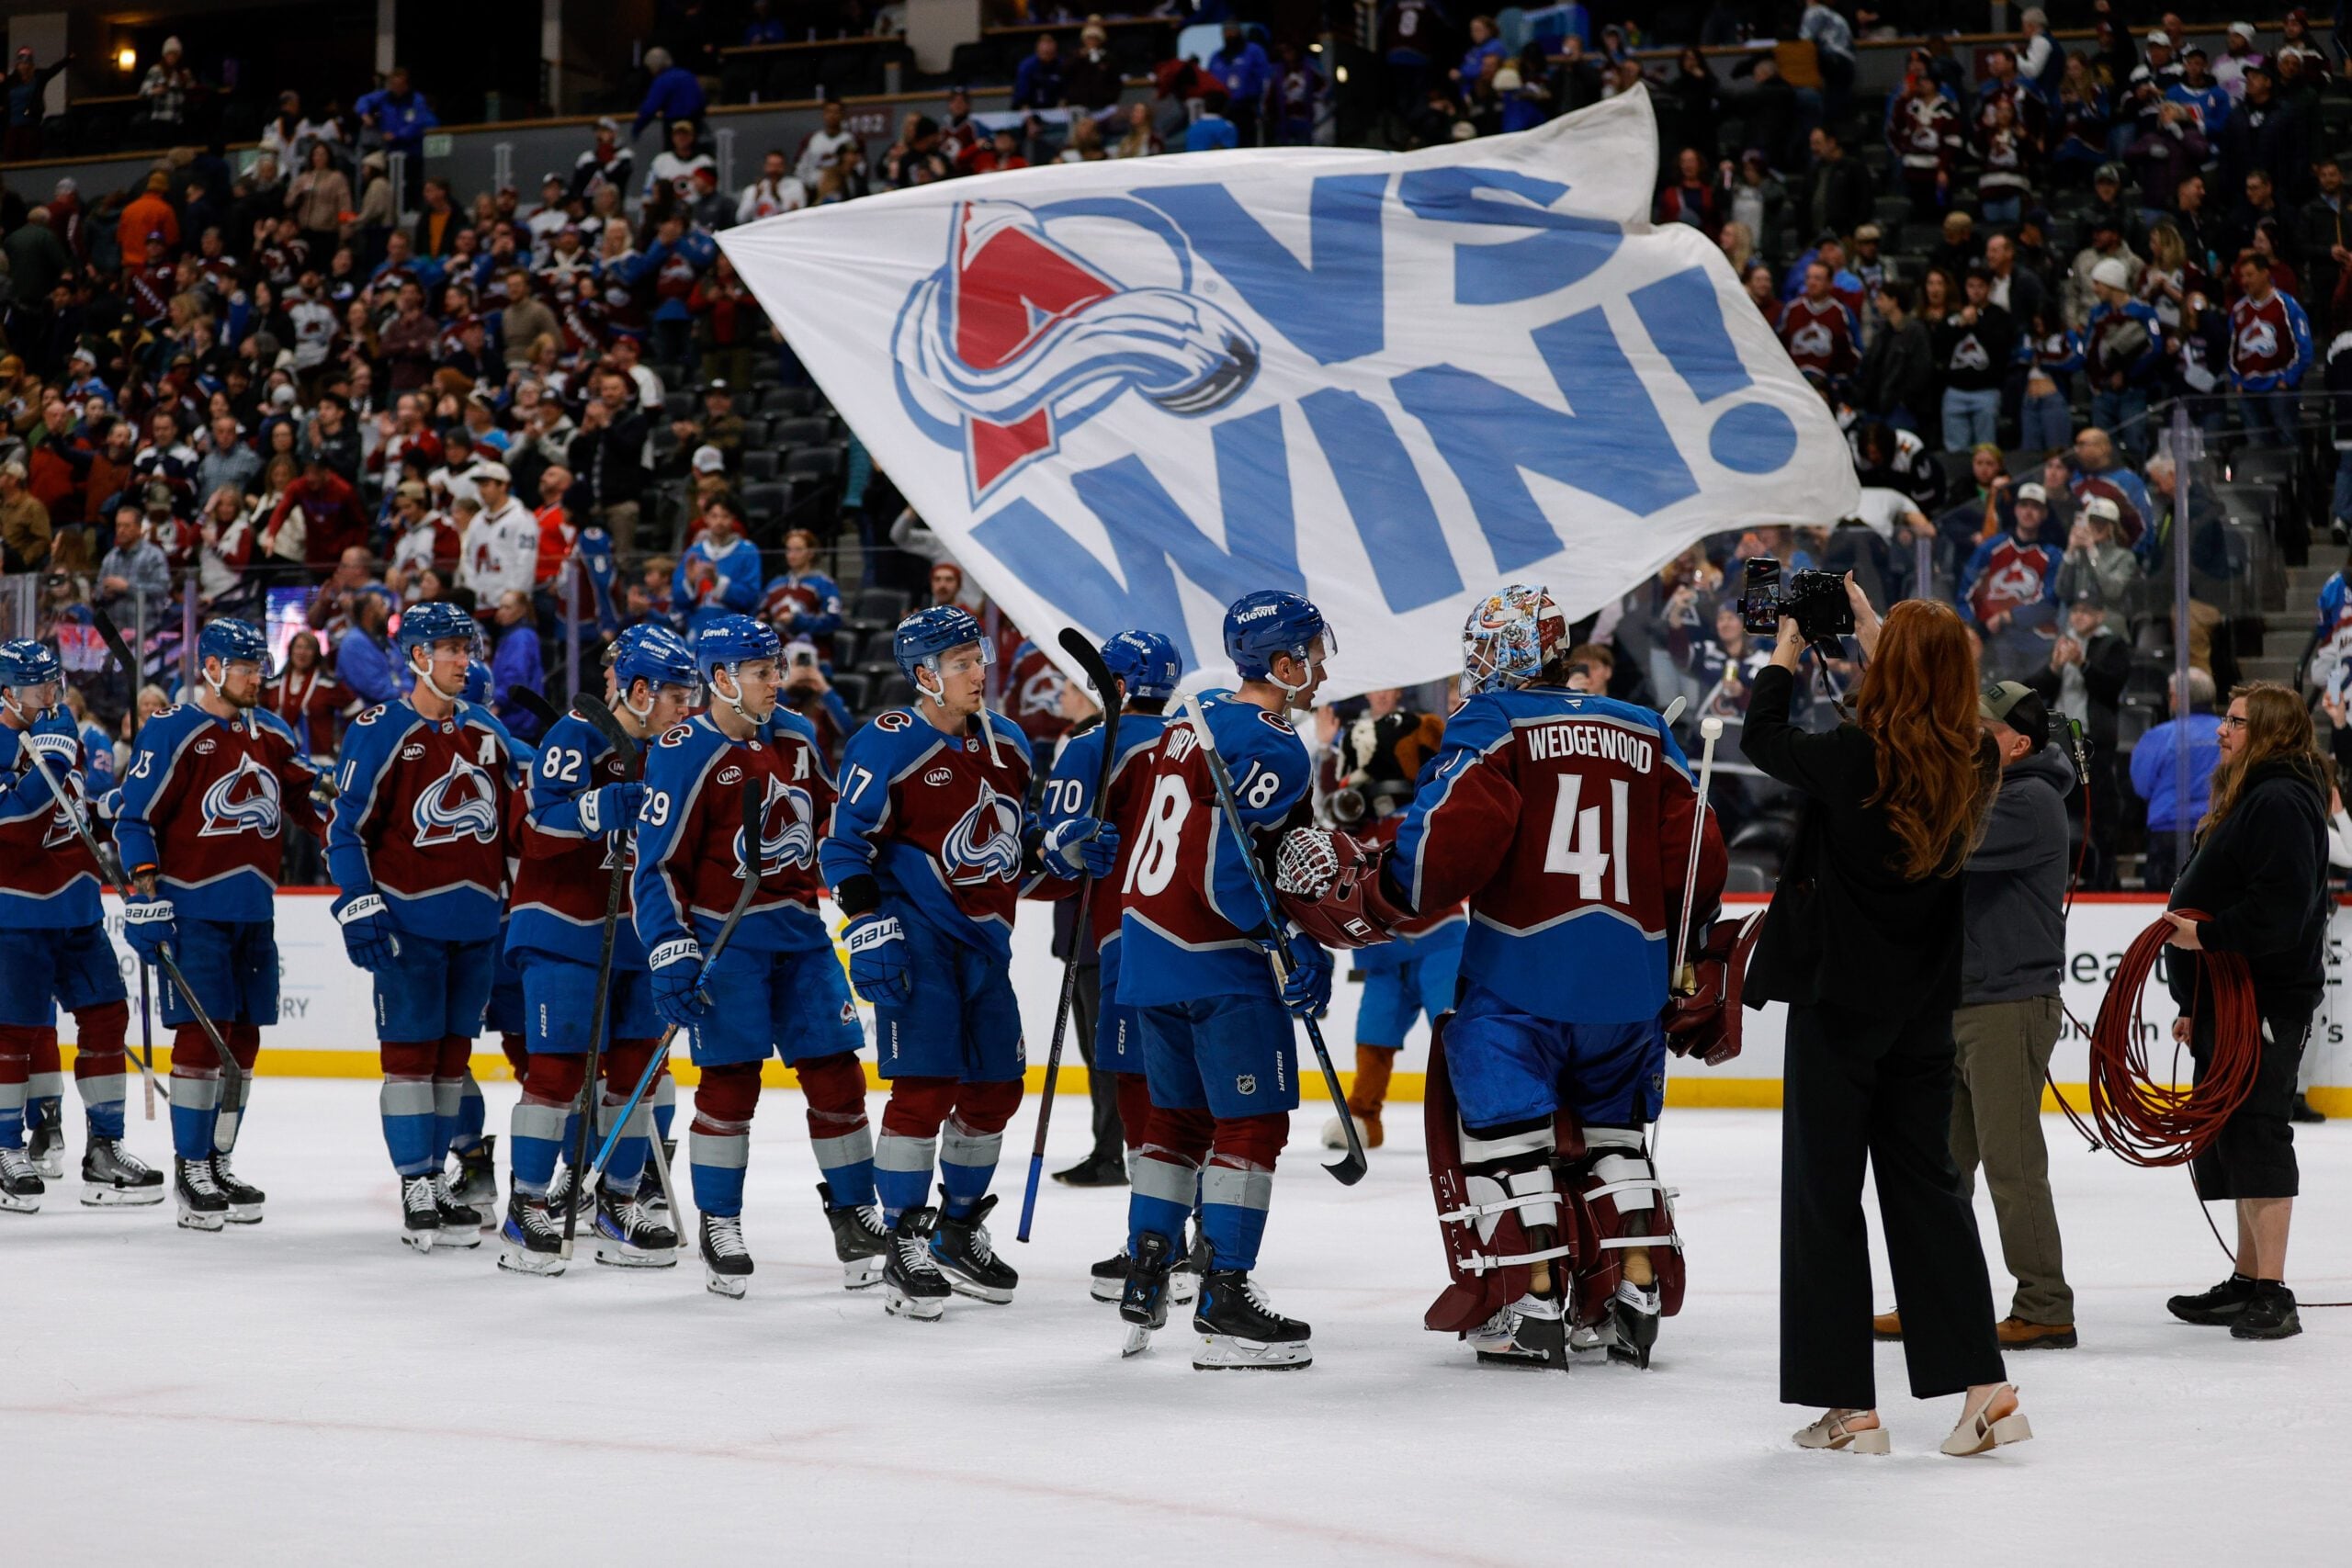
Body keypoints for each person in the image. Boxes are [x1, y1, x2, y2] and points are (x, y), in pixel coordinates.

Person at [1336, 585, 1722, 1370]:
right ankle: (1635, 1293)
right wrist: (1681, 950)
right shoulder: (1645, 726)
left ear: (1510, 652)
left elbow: (1447, 840)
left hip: (1522, 970)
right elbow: (1700, 858)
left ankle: (1533, 1300)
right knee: (1617, 1137)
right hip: (1629, 983)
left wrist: (1386, 893)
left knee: (1507, 1139)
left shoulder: (1496, 721)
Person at [1743, 586, 2031, 1459]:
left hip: (1839, 1007)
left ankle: (1850, 1407)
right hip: (1922, 1012)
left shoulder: (1850, 755)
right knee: (1929, 1195)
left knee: (1824, 1198)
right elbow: (1936, 696)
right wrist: (1886, 633)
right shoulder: (1977, 756)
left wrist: (1788, 647)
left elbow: (1760, 737)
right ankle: (1987, 1389)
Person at [822, 606, 1088, 1322]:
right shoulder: (887, 743)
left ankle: (957, 1228)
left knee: (998, 1088)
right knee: (923, 1089)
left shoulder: (1010, 746)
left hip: (984, 946)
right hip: (918, 940)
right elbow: (844, 847)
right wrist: (869, 923)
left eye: (979, 658)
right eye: (962, 662)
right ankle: (905, 1239)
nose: (980, 672)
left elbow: (1014, 854)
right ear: (924, 674)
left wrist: (1059, 853)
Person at [1109, 592, 1334, 1370]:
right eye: (1312, 650)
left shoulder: (1185, 725)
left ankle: (1146, 1269)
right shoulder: (1275, 742)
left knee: (1176, 1117)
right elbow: (1227, 869)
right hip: (1215, 957)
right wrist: (1289, 938)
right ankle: (1226, 1297)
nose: (1323, 664)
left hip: (1146, 952)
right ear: (1281, 663)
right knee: (1254, 1123)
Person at [631, 615, 888, 1296]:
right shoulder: (685, 748)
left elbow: (834, 826)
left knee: (838, 1074)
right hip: (728, 945)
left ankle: (856, 1212)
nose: (777, 681)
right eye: (762, 671)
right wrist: (669, 949)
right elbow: (654, 867)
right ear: (720, 679)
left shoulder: (798, 737)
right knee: (730, 1081)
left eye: (777, 668)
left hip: (803, 938)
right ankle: (721, 1221)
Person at [1877, 682, 2079, 1351]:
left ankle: (2045, 1303)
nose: (1966, 738)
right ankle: (1934, 1295)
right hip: (1966, 1000)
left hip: (2006, 1003)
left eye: (1983, 730)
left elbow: (1943, 846)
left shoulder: (2030, 800)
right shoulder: (1998, 792)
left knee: (2011, 1162)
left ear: (2018, 743)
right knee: (1943, 1167)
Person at [115, 621, 329, 1228]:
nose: (256, 676)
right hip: (195, 912)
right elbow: (135, 817)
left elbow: (306, 801)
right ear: (210, 668)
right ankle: (191, 1166)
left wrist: (343, 827)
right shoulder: (175, 730)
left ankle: (220, 1156)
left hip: (254, 912)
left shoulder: (271, 733)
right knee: (202, 1039)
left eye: (259, 666)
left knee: (243, 1043)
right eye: (244, 666)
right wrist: (145, 891)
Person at [496, 626, 688, 1272]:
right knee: (557, 1071)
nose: (685, 709)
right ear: (639, 690)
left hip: (643, 933)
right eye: (677, 696)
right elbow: (536, 826)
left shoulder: (677, 750)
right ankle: (525, 1206)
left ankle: (618, 1198)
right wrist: (599, 807)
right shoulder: (576, 735)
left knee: (636, 1073)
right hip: (564, 928)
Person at [324, 602, 514, 1251]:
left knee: (452, 1057)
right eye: (452, 648)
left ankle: (439, 1175)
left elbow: (522, 819)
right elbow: (345, 829)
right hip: (409, 922)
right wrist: (359, 900)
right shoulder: (380, 729)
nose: (466, 659)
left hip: (477, 923)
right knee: (411, 1057)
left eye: (469, 647)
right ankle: (418, 1180)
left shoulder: (485, 731)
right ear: (417, 659)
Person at [2161, 683, 2329, 1341]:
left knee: (2258, 1129)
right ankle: (2247, 1278)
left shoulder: (2281, 799)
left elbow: (2278, 912)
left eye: (2235, 722)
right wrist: (2193, 1002)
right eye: (2226, 719)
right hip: (2228, 1000)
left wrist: (2204, 939)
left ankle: (2272, 1288)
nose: (2222, 731)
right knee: (2233, 1132)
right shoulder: (2254, 793)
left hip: (2262, 997)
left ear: (2271, 731)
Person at [1034, 634, 1184, 1302]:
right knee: (1194, 1093)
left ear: (1112, 683)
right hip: (1201, 944)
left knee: (1140, 1095)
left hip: (1126, 942)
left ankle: (1154, 1243)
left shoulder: (1093, 745)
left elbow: (1051, 848)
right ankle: (1200, 1238)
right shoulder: (1192, 741)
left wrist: (1067, 847)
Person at [0, 641, 153, 1213]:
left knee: (108, 1016)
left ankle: (104, 1149)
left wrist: (120, 805)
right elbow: (14, 825)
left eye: (53, 684)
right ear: (8, 691)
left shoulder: (63, 735)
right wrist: (56, 760)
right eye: (38, 687)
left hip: (80, 909)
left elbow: (76, 812)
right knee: (13, 1031)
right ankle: (5, 1148)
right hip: (17, 913)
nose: (50, 696)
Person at [2132, 666, 2223, 891]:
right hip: (2217, 829)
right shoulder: (2228, 735)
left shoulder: (2159, 737)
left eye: (2171, 695)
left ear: (2180, 698)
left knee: (2162, 909)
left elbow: (2142, 785)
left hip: (2168, 832)